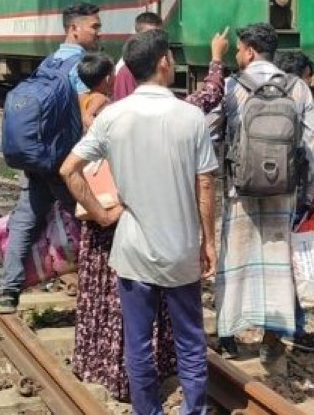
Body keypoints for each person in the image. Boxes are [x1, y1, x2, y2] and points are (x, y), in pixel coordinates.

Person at [61, 28, 218, 415]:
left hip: (131, 249)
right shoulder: (190, 116)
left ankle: (147, 410)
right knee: (190, 340)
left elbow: (70, 169)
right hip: (180, 247)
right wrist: (209, 242)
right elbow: (206, 185)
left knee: (139, 342)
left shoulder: (113, 115)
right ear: (163, 61)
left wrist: (101, 214)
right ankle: (192, 410)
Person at [213, 23, 314, 361]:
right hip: (284, 189)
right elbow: (312, 143)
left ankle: (228, 335)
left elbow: (211, 131)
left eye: (238, 49)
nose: (237, 54)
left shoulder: (233, 86)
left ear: (249, 50)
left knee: (235, 260)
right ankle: (273, 338)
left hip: (240, 190)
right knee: (278, 263)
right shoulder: (297, 87)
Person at [0, 3, 101, 313]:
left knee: (25, 219)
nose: (98, 32)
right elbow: (87, 113)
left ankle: (8, 289)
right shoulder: (80, 66)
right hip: (63, 160)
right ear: (74, 29)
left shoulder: (49, 61)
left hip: (38, 155)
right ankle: (99, 286)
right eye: (94, 27)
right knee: (89, 217)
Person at [111, 11, 164, 101]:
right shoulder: (126, 70)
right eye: (148, 36)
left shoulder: (157, 64)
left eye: (159, 35)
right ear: (137, 36)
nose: (155, 40)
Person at [76, 52, 114, 129]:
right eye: (113, 73)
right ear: (107, 78)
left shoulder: (86, 95)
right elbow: (87, 117)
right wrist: (100, 134)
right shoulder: (100, 98)